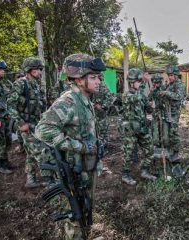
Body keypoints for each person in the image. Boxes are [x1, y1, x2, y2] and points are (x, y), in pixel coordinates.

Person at [35, 53, 103, 240]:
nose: (98, 81)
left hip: (86, 168)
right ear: (79, 79)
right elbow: (42, 130)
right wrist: (79, 146)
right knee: (74, 216)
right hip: (74, 170)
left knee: (86, 209)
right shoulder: (68, 101)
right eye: (93, 77)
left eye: (98, 77)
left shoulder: (84, 98)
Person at [7, 57, 48, 188]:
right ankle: (50, 180)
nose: (40, 72)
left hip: (37, 123)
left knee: (31, 153)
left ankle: (30, 179)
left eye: (40, 69)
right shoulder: (20, 84)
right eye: (37, 69)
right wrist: (20, 123)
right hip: (26, 124)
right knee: (40, 153)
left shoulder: (35, 85)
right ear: (29, 70)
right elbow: (10, 105)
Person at [121, 68, 157, 185]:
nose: (140, 83)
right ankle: (125, 175)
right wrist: (144, 81)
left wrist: (151, 105)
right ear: (131, 83)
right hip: (130, 130)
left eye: (140, 81)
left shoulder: (141, 94)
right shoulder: (127, 95)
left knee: (150, 149)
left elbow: (148, 109)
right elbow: (136, 98)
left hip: (142, 127)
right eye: (139, 81)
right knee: (129, 153)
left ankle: (145, 171)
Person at [159, 65, 186, 162]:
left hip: (174, 113)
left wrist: (166, 93)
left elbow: (178, 96)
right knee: (167, 133)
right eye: (168, 75)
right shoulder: (169, 84)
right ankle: (170, 151)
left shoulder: (180, 84)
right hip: (167, 111)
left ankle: (176, 153)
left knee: (173, 132)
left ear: (176, 75)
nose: (169, 77)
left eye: (171, 75)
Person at [90, 70, 114, 143]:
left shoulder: (103, 86)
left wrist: (103, 106)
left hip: (100, 114)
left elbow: (110, 97)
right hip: (93, 112)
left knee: (102, 130)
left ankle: (104, 145)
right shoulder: (91, 86)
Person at [149, 73, 165, 147]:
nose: (157, 84)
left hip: (163, 113)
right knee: (155, 130)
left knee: (163, 130)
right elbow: (149, 100)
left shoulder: (164, 89)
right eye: (155, 82)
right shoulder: (154, 90)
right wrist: (151, 91)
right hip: (155, 113)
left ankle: (163, 145)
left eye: (158, 82)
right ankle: (156, 145)